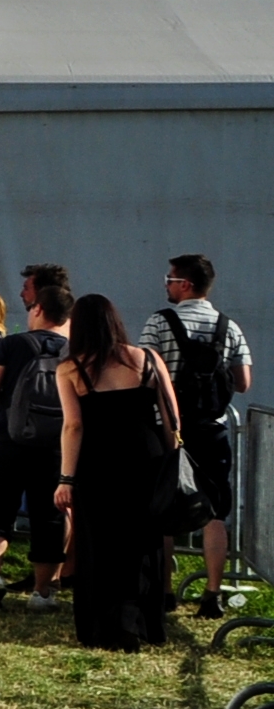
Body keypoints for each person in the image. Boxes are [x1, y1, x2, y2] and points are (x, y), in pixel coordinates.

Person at [56, 292, 181, 650]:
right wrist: (172, 462)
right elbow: (171, 416)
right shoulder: (148, 358)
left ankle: (105, 625)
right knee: (144, 540)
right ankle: (144, 621)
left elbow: (73, 426)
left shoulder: (71, 368)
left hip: (98, 461)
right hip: (146, 455)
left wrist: (65, 478)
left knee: (99, 541)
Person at [136, 253, 252, 620]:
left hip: (168, 429)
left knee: (165, 507)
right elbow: (244, 382)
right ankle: (212, 594)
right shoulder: (228, 326)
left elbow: (144, 373)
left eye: (169, 279)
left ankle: (165, 591)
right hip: (213, 429)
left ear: (184, 284)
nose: (166, 285)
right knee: (215, 513)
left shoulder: (159, 322)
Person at [0, 270, 72, 610]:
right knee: (49, 516)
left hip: (9, 436)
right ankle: (42, 592)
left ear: (38, 309)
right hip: (56, 444)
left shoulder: (12, 344)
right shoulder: (74, 351)